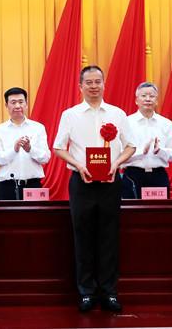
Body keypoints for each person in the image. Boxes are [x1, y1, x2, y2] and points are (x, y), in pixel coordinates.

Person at [53, 66, 135, 313]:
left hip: (110, 182)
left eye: (98, 81)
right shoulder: (70, 115)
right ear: (80, 86)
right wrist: (78, 165)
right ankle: (86, 292)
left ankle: (109, 292)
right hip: (82, 183)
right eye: (88, 82)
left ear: (104, 84)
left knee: (109, 237)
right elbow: (58, 148)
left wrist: (116, 164)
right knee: (83, 236)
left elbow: (131, 146)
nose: (94, 86)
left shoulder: (118, 114)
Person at [121, 82, 172, 199]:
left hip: (158, 176)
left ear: (157, 101)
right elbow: (119, 153)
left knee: (158, 210)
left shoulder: (167, 124)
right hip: (133, 176)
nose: (148, 99)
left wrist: (160, 151)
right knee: (132, 210)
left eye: (152, 96)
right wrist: (141, 152)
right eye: (144, 96)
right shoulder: (126, 123)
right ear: (136, 100)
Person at [0, 87, 50, 199]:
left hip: (33, 185)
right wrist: (14, 149)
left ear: (26, 104)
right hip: (8, 186)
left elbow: (45, 158)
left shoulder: (38, 128)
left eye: (21, 102)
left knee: (35, 212)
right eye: (13, 102)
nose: (17, 106)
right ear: (6, 105)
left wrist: (30, 149)